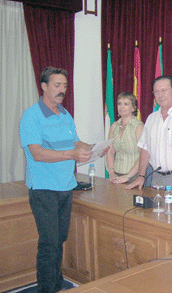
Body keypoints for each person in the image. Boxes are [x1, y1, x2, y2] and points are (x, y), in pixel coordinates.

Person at [19, 67, 108, 293]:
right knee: (49, 244)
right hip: (44, 189)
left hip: (66, 186)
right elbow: (37, 153)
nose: (62, 90)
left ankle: (57, 284)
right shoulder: (32, 115)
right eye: (57, 86)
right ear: (44, 87)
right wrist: (71, 155)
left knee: (59, 240)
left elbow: (76, 143)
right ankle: (47, 289)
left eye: (65, 86)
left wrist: (95, 149)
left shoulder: (64, 114)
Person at [106, 92, 144, 184]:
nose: (122, 107)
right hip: (115, 175)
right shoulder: (114, 126)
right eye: (119, 104)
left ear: (133, 108)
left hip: (134, 176)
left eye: (126, 104)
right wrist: (111, 173)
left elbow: (143, 155)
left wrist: (128, 176)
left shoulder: (138, 126)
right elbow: (110, 151)